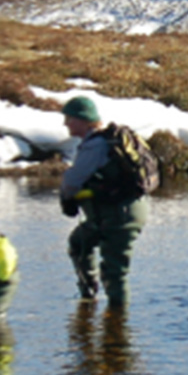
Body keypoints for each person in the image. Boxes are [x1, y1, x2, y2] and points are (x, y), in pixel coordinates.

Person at [58, 94, 150, 309]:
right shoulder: (101, 142)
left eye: (69, 118)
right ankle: (88, 297)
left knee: (114, 272)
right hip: (111, 215)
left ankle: (117, 325)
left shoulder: (95, 145)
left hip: (120, 218)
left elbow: (72, 181)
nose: (65, 124)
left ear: (83, 120)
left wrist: (67, 197)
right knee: (79, 243)